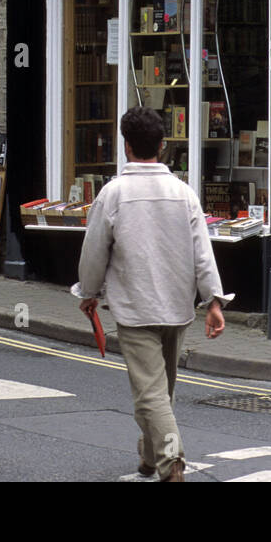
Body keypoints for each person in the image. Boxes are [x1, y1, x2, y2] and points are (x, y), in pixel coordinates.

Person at [77, 106, 232, 482]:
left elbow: (94, 249)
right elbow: (202, 251)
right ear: (162, 146)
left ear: (126, 146)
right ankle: (150, 456)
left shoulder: (112, 194)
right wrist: (213, 301)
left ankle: (170, 462)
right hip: (177, 308)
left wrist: (88, 291)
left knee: (150, 393)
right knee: (160, 391)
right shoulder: (183, 193)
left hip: (134, 309)